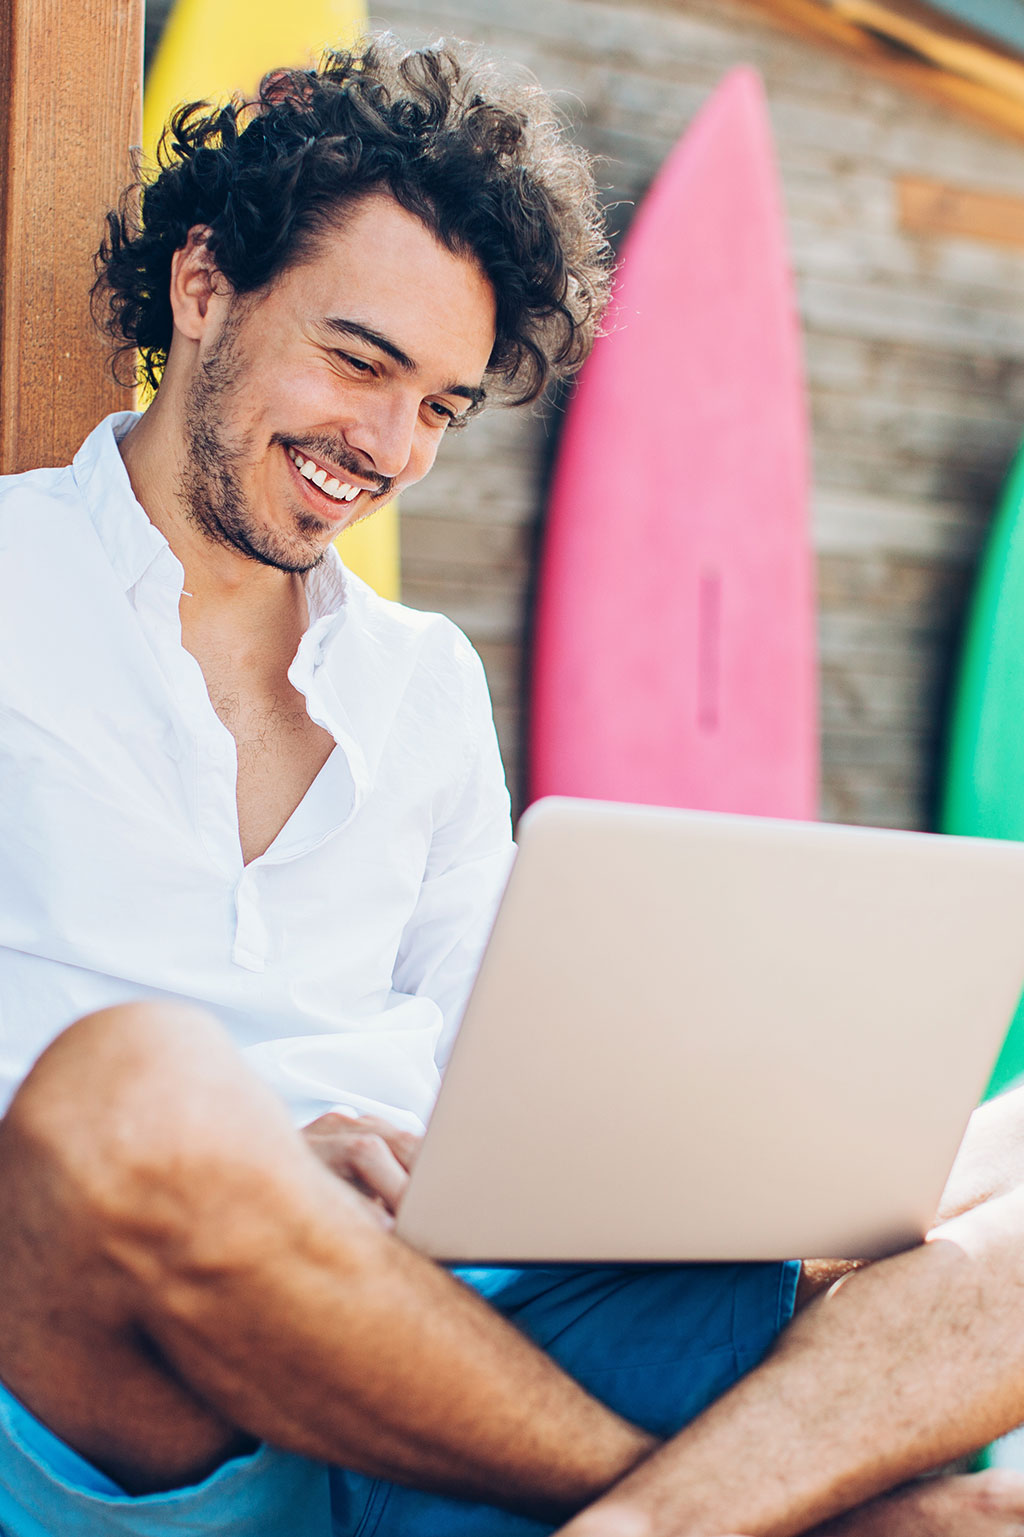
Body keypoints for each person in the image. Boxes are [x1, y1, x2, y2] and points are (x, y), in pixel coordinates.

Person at [1, 31, 1024, 1537]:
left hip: (460, 1324)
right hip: (149, 1373)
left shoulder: (421, 682)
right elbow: (107, 1149)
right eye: (359, 361)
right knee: (134, 1090)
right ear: (205, 284)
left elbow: (510, 1063)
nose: (387, 446)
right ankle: (714, 1507)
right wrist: (270, 1161)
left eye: (440, 406)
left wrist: (731, 1140)